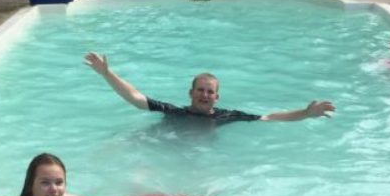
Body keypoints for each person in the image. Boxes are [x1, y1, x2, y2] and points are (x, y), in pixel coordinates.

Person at [84, 52, 335, 123]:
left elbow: (270, 117)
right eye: (200, 90)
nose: (205, 95)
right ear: (190, 93)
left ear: (216, 97)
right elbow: (136, 98)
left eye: (210, 91)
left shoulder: (227, 116)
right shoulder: (175, 112)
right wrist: (107, 74)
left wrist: (305, 113)